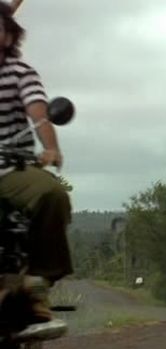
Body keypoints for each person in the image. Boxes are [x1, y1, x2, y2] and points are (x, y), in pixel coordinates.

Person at [0, 1, 73, 323]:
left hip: (10, 166)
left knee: (50, 194)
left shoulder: (20, 73)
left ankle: (37, 281)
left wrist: (50, 148)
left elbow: (39, 114)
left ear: (8, 36)